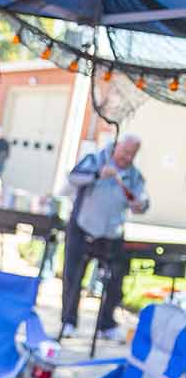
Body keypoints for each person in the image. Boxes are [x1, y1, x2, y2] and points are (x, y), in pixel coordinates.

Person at [60, 134, 150, 342]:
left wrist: (140, 205)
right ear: (117, 147)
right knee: (73, 276)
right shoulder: (95, 160)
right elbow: (73, 177)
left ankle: (106, 324)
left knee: (115, 280)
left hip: (111, 234)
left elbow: (142, 200)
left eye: (132, 154)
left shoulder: (135, 176)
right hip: (82, 227)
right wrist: (98, 174)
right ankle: (69, 321)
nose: (126, 157)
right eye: (124, 152)